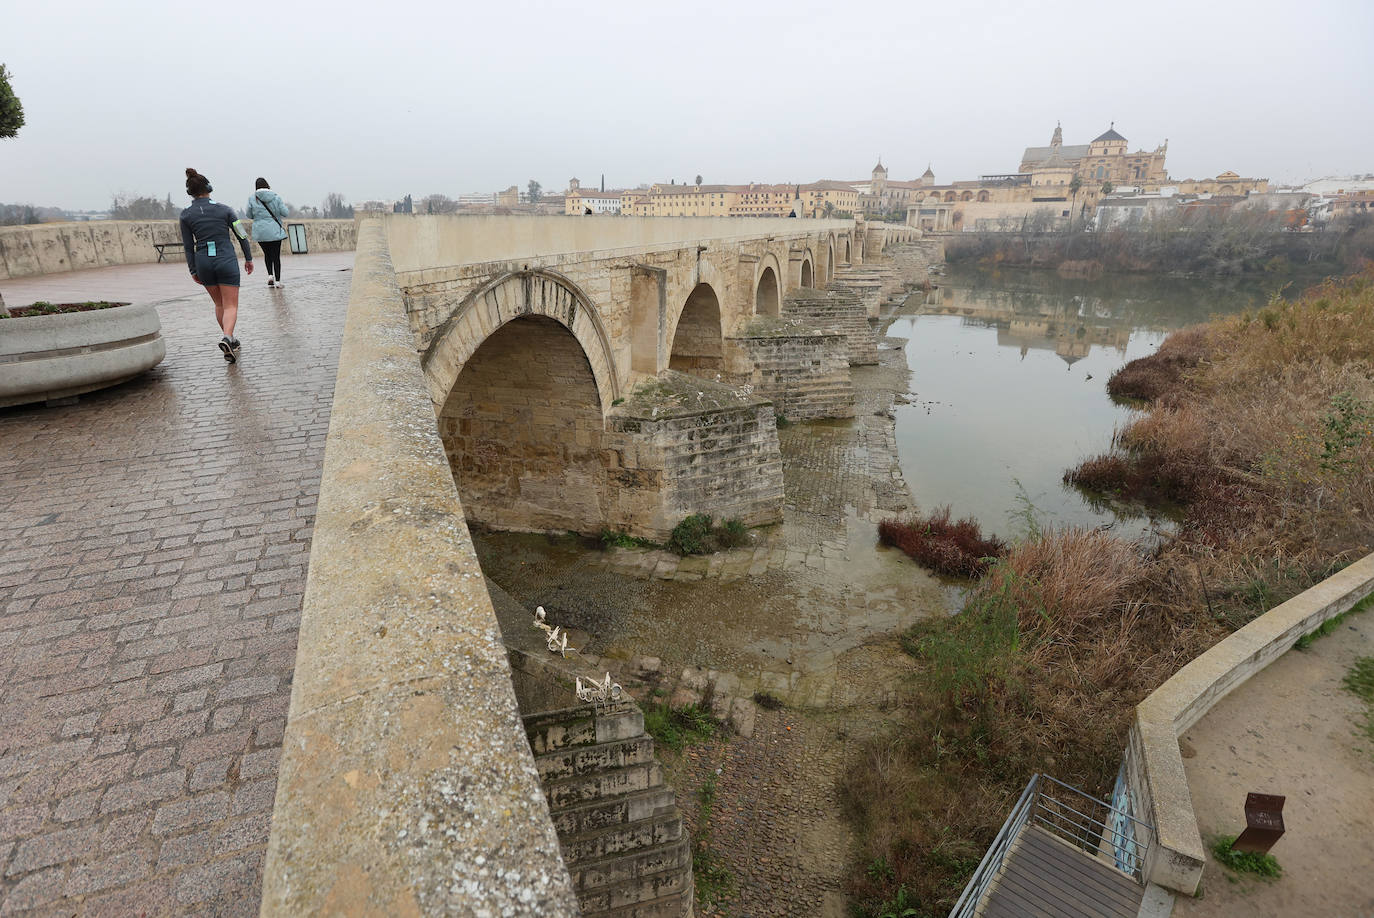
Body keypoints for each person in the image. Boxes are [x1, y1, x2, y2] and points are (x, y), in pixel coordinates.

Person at [180, 167, 254, 363]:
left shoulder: (185, 215)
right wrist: (248, 258)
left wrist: (193, 269)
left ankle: (229, 340)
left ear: (190, 192)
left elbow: (188, 246)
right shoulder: (225, 210)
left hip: (203, 261)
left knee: (219, 304)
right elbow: (242, 235)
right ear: (209, 187)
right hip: (225, 259)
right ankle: (228, 337)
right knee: (231, 305)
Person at [246, 177, 289, 288]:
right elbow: (285, 212)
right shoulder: (275, 197)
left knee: (267, 254)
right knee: (276, 256)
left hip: (260, 232)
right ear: (267, 185)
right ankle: (278, 282)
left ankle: (270, 276)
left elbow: (249, 215)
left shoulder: (252, 199)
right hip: (274, 230)